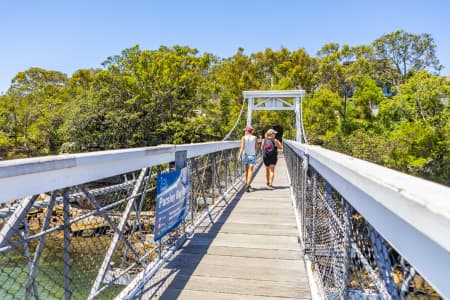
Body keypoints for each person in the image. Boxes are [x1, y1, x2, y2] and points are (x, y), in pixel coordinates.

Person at [238, 125, 258, 192]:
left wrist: (239, 155)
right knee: (250, 171)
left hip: (245, 155)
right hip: (252, 155)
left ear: (246, 131)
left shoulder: (243, 137)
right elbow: (256, 147)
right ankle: (248, 184)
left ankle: (247, 183)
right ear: (251, 131)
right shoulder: (255, 137)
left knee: (247, 170)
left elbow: (242, 147)